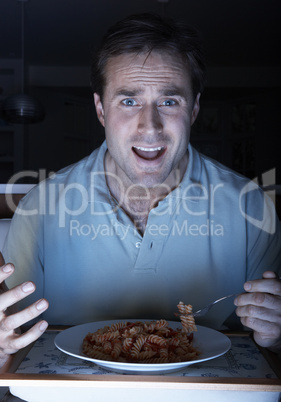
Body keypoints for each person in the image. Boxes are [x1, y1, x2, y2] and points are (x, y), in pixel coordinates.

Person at [0, 13, 280, 370]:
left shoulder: (252, 206)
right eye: (129, 101)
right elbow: (14, 347)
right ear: (101, 109)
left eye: (169, 101)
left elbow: (267, 352)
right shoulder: (38, 206)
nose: (150, 128)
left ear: (194, 108)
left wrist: (277, 337)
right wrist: (3, 347)